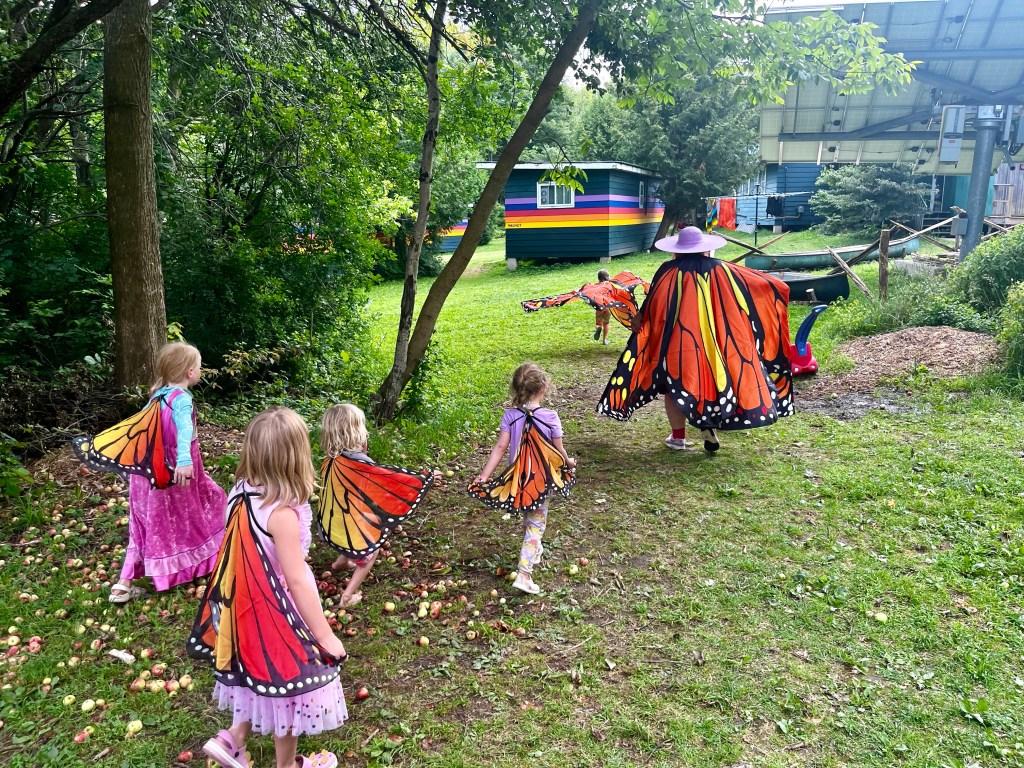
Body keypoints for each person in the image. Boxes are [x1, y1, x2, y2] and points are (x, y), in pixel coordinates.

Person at [189, 406, 347, 768]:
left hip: (241, 608)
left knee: (253, 676)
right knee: (286, 689)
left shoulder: (239, 493)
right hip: (278, 613)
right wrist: (324, 636)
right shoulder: (281, 515)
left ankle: (233, 738)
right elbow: (296, 578)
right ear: (297, 457)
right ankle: (286, 765)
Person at [597, 226, 793, 452]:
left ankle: (678, 437)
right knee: (710, 379)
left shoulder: (667, 270)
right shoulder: (721, 269)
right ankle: (707, 424)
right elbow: (765, 286)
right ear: (705, 249)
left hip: (676, 341)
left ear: (677, 250)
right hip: (713, 341)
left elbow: (653, 303)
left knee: (672, 384)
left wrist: (640, 320)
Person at [108, 342, 226, 603]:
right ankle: (200, 560)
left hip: (146, 471)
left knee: (148, 522)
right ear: (190, 372)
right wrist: (184, 461)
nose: (200, 371)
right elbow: (184, 430)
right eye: (199, 367)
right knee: (202, 505)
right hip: (172, 471)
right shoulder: (182, 399)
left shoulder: (157, 396)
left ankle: (124, 583)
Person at [470, 363, 576, 595]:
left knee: (531, 515)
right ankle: (524, 573)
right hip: (541, 480)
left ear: (516, 388)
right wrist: (569, 462)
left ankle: (533, 549)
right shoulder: (550, 416)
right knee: (537, 523)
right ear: (543, 388)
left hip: (517, 479)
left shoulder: (511, 416)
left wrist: (485, 476)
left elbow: (500, 448)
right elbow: (559, 451)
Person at [317, 403, 436, 609]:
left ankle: (340, 563)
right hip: (351, 525)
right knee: (372, 549)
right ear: (357, 432)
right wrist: (424, 478)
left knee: (354, 529)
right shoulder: (359, 463)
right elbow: (388, 480)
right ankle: (347, 596)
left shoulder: (329, 460)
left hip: (330, 524)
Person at [594, 269, 612, 344]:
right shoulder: (610, 285)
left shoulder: (596, 286)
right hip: (608, 307)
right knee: (606, 323)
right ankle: (604, 340)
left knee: (598, 323)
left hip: (599, 307)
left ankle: (598, 328)